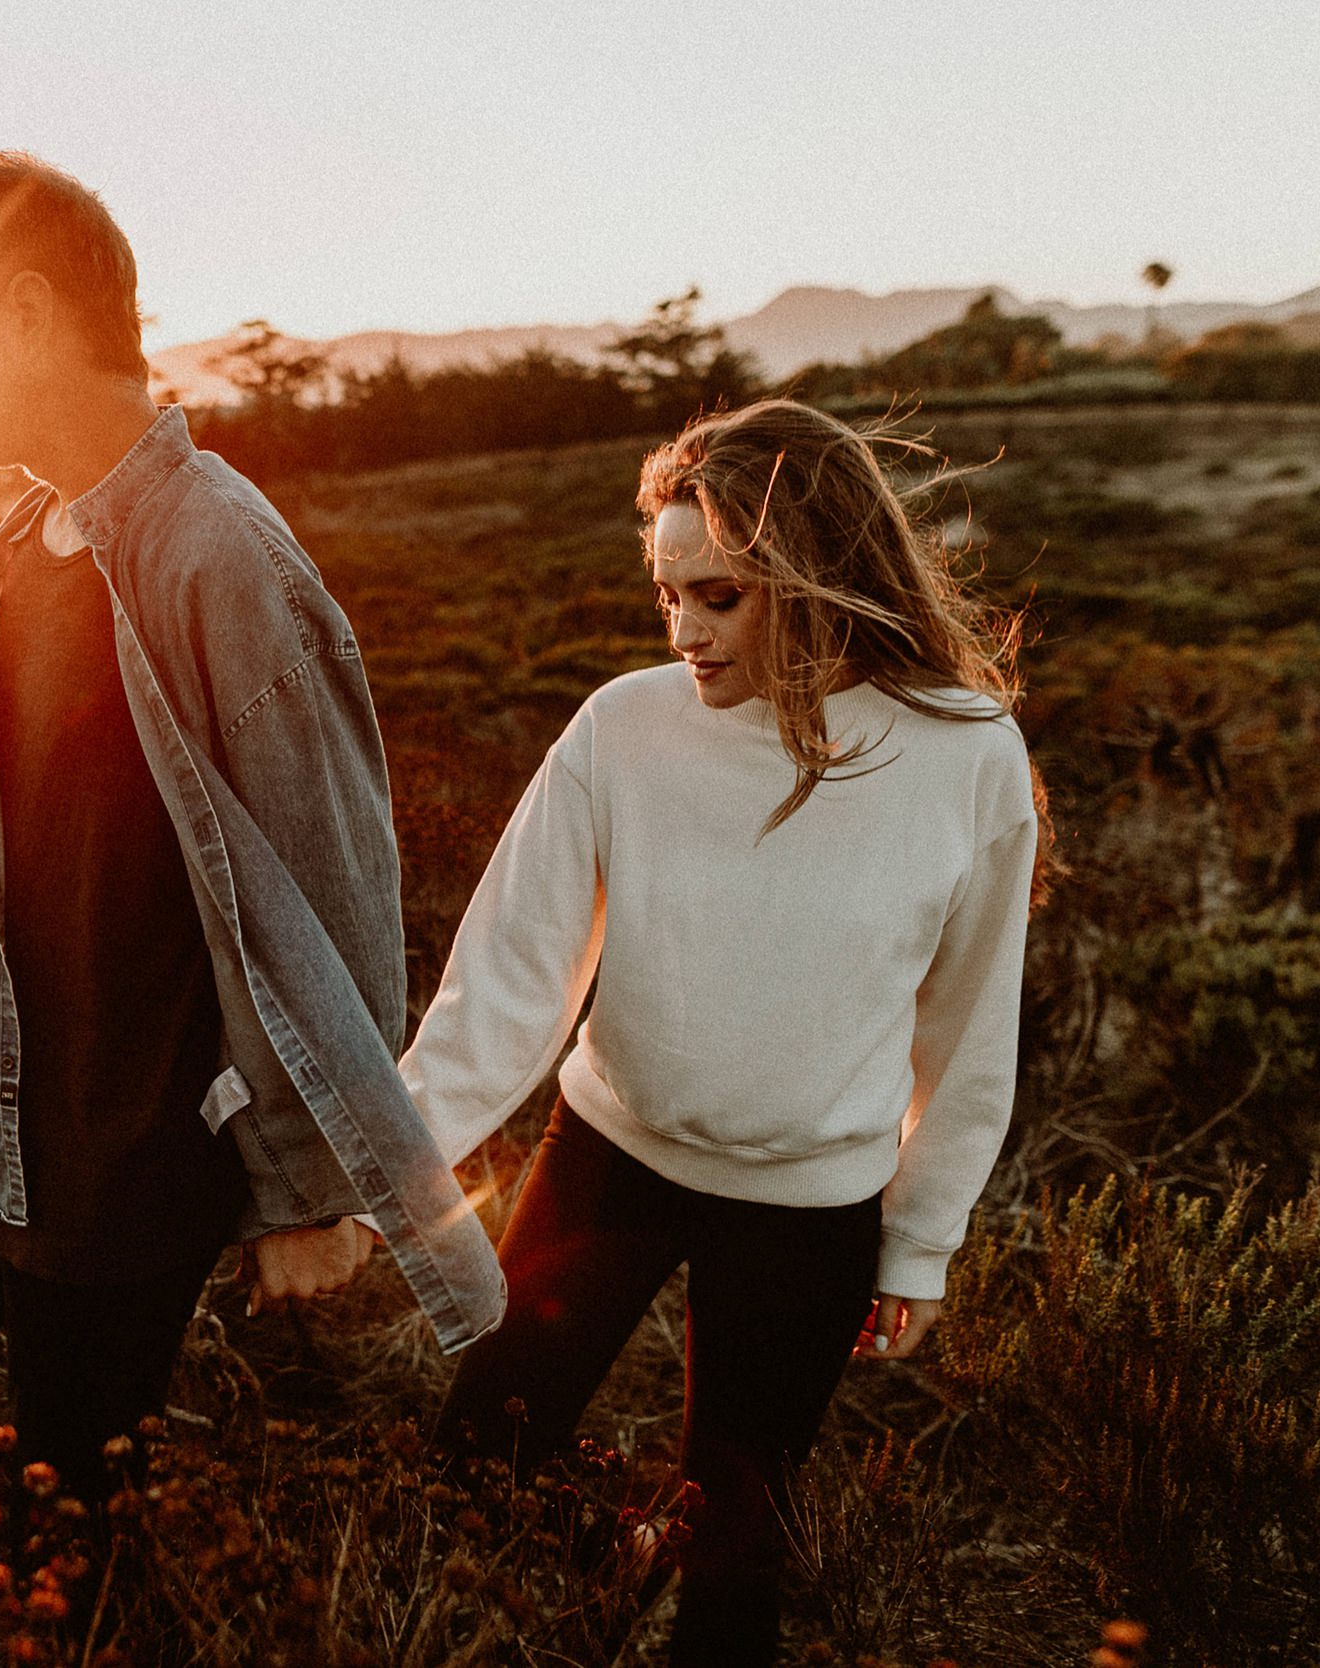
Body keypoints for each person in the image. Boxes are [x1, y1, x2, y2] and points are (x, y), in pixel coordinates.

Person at [0, 150, 504, 1498]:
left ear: (30, 314)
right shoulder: (19, 549)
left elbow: (329, 875)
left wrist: (308, 1188)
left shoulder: (219, 552)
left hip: (128, 1157)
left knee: (67, 1503)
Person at [398, 399, 1043, 1666]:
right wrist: (384, 1166)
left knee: (738, 1569)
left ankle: (658, 1570)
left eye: (722, 597)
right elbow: (511, 977)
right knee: (469, 1471)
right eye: (667, 594)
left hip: (807, 1214)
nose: (684, 630)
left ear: (815, 572)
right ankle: (596, 1582)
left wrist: (918, 1239)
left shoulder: (965, 754)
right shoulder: (624, 729)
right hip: (608, 1156)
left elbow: (969, 1027)